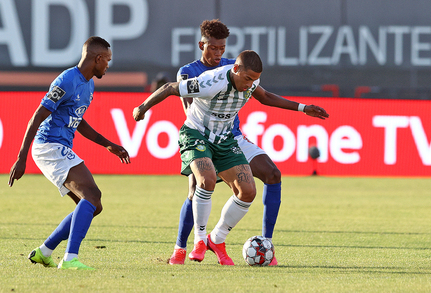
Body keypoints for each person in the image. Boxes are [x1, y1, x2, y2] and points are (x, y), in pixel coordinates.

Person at [133, 50, 329, 265]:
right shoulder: (211, 81)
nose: (250, 85)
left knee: (248, 191)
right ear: (236, 69)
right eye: (247, 79)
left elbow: (265, 97)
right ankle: (198, 241)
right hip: (196, 133)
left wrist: (303, 108)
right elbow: (169, 87)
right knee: (206, 181)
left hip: (225, 138)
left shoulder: (251, 81)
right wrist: (143, 107)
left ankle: (216, 239)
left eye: (254, 80)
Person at [168, 19, 286, 266]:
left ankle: (266, 243)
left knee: (272, 174)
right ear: (202, 44)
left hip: (232, 138)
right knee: (196, 189)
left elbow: (259, 95)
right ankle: (180, 248)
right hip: (202, 137)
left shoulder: (236, 67)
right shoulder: (189, 72)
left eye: (222, 48)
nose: (218, 53)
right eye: (213, 48)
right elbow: (190, 110)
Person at [8, 36, 131, 270]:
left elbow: (79, 121)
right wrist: (21, 157)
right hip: (49, 146)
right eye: (107, 60)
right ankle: (70, 258)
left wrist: (107, 144)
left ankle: (44, 252)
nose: (108, 65)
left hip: (60, 147)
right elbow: (37, 116)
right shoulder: (66, 80)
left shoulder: (89, 84)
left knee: (93, 206)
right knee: (92, 194)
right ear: (97, 58)